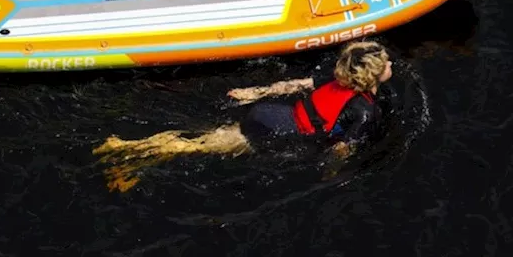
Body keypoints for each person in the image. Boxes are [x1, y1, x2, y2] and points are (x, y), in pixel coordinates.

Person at [92, 40, 396, 192]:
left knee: (207, 138)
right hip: (277, 129)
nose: (390, 64)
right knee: (200, 146)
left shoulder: (337, 80)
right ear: (370, 76)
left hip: (272, 112)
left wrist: (253, 93)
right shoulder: (365, 110)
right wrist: (331, 174)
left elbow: (294, 84)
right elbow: (342, 147)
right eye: (385, 63)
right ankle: (123, 150)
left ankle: (127, 149)